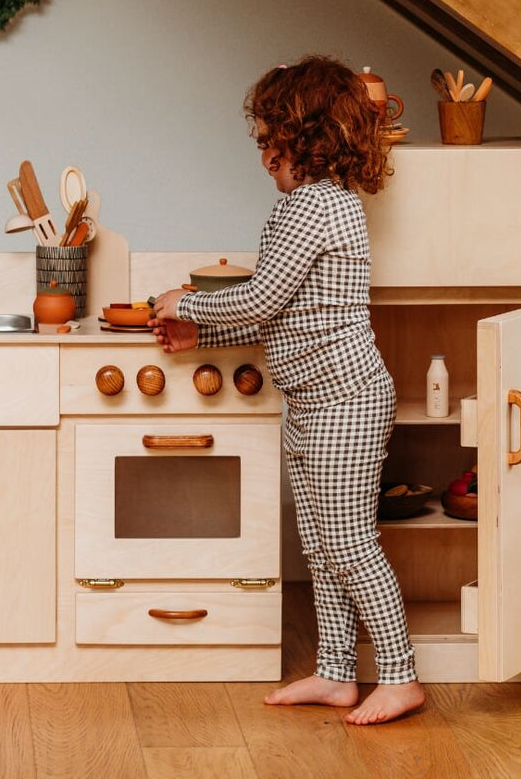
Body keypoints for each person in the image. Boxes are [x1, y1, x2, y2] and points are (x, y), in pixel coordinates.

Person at [149, 55, 425, 725]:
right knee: (318, 543)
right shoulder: (313, 207)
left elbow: (263, 297)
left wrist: (188, 306)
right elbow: (288, 314)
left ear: (304, 140)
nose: (263, 152)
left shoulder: (314, 206)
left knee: (350, 541)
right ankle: (335, 672)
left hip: (346, 399)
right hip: (311, 401)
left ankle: (400, 673)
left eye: (270, 137)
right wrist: (203, 341)